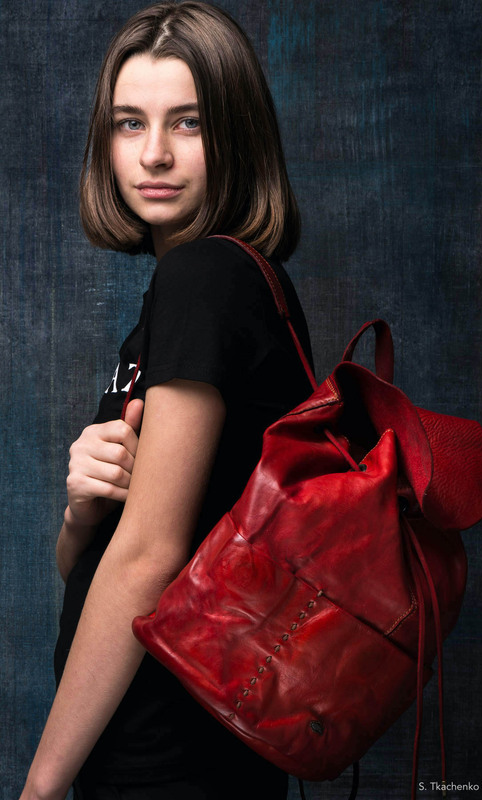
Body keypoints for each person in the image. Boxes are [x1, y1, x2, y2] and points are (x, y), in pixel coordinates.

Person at [19, 3, 313, 799]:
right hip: (185, 748)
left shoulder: (205, 281)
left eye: (188, 122)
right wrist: (83, 511)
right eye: (128, 123)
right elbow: (92, 558)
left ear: (237, 135)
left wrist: (42, 785)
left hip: (169, 757)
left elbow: (149, 559)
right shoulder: (200, 293)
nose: (153, 154)